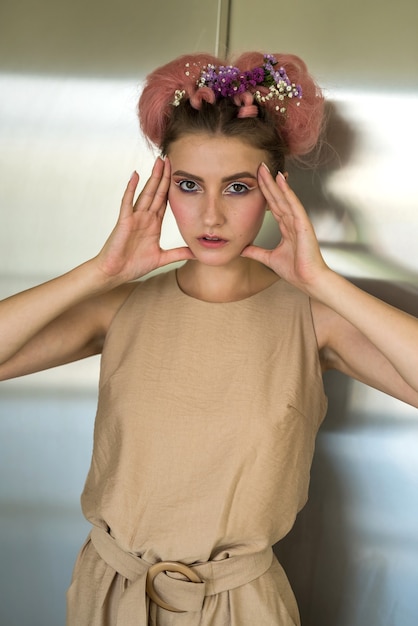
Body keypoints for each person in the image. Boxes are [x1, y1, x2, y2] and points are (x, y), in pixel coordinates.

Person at [0, 51, 417, 626]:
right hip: (110, 598)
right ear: (164, 185)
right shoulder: (120, 305)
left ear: (276, 191)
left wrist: (323, 281)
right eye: (190, 185)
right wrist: (98, 272)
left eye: (238, 187)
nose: (211, 215)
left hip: (239, 607)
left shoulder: (314, 319)